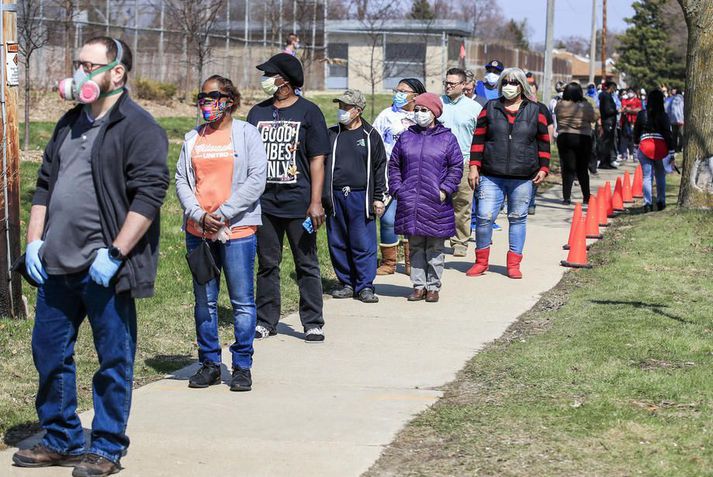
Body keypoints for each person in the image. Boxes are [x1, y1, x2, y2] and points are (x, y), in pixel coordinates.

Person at [14, 37, 169, 476]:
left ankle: (105, 447)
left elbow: (149, 195)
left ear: (116, 72)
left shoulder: (139, 127)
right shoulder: (69, 122)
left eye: (88, 64)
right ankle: (62, 437)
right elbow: (44, 184)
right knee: (49, 353)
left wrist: (117, 252)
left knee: (113, 360)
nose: (78, 72)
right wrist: (33, 242)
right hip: (57, 265)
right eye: (76, 63)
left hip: (106, 270)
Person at [175, 75, 266, 391]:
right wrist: (199, 214)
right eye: (201, 96)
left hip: (237, 230)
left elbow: (257, 179)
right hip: (198, 232)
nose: (205, 102)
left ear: (229, 99)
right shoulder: (192, 138)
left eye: (212, 96)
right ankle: (210, 363)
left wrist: (223, 214)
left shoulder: (246, 134)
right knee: (205, 302)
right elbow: (182, 181)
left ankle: (241, 366)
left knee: (242, 302)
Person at [247, 53, 330, 342]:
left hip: (299, 204)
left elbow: (317, 159)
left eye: (269, 74)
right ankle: (266, 320)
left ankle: (312, 321)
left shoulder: (310, 113)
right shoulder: (257, 113)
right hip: (265, 204)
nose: (265, 80)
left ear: (285, 80)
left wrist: (315, 201)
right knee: (267, 264)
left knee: (306, 263)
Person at [467, 67, 550, 279]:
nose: (508, 87)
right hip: (491, 174)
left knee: (518, 217)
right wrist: (474, 167)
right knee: (484, 217)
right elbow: (478, 140)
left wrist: (544, 167)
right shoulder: (490, 107)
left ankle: (513, 264)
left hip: (523, 176)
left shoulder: (536, 109)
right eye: (505, 82)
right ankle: (481, 261)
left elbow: (543, 141)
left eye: (513, 83)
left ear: (522, 86)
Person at [388, 93, 463, 303]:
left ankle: (433, 286)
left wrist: (445, 189)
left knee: (435, 247)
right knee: (416, 246)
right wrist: (398, 188)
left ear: (435, 113)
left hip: (436, 202)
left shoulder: (447, 138)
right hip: (410, 201)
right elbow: (394, 165)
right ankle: (418, 285)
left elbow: (456, 167)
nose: (419, 114)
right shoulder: (406, 136)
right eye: (417, 110)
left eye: (424, 110)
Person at [324, 89, 387, 303]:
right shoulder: (331, 134)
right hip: (335, 196)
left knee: (363, 243)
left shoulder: (370, 136)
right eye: (340, 106)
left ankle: (365, 285)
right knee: (337, 241)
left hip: (361, 197)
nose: (341, 110)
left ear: (358, 110)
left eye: (346, 107)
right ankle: (346, 282)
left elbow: (380, 168)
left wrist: (378, 197)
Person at [372, 78, 426, 275]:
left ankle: (413, 262)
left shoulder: (423, 115)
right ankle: (389, 262)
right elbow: (374, 140)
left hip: (415, 176)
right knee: (387, 219)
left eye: (404, 90)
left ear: (416, 96)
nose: (398, 93)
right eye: (397, 90)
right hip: (389, 175)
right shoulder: (387, 115)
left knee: (413, 218)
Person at [439, 67, 483, 257]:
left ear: (464, 85)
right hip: (438, 162)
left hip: (463, 162)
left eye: (452, 83)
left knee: (462, 204)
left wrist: (475, 166)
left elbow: (480, 139)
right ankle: (436, 238)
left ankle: (460, 242)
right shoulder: (438, 104)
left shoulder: (475, 108)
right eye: (446, 83)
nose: (448, 86)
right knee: (437, 202)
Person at [555, 82, 596, 205]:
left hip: (565, 137)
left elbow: (557, 116)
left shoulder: (560, 105)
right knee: (582, 168)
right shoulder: (585, 106)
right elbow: (593, 117)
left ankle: (566, 197)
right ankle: (586, 196)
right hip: (583, 138)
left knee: (568, 168)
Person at [634, 89, 674, 213]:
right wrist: (672, 151)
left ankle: (648, 203)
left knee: (647, 176)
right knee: (660, 175)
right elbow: (668, 134)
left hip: (645, 145)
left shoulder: (642, 114)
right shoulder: (664, 115)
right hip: (660, 147)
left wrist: (636, 145)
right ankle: (661, 201)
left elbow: (636, 131)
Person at [525, 79, 554, 215]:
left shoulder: (541, 108)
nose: (530, 94)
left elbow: (549, 126)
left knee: (533, 179)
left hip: (536, 150)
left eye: (532, 90)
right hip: (523, 149)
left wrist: (548, 143)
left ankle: (531, 203)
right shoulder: (520, 107)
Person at [598, 81, 619, 169]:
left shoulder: (609, 96)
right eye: (614, 88)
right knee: (606, 142)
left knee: (610, 143)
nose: (614, 90)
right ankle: (603, 162)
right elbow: (607, 110)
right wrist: (617, 111)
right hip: (608, 122)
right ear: (611, 87)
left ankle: (608, 161)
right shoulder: (605, 96)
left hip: (611, 121)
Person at [619, 89, 642, 161]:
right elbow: (623, 109)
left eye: (631, 92)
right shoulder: (624, 100)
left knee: (635, 138)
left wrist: (629, 110)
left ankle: (635, 155)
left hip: (635, 121)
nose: (629, 94)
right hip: (626, 121)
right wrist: (631, 110)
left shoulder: (638, 101)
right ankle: (624, 154)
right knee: (624, 138)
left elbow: (639, 110)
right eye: (628, 92)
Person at [666, 87, 684, 153]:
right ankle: (680, 147)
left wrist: (670, 118)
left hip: (673, 120)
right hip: (681, 120)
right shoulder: (683, 99)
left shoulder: (672, 99)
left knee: (674, 135)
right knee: (681, 135)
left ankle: (674, 148)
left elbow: (668, 109)